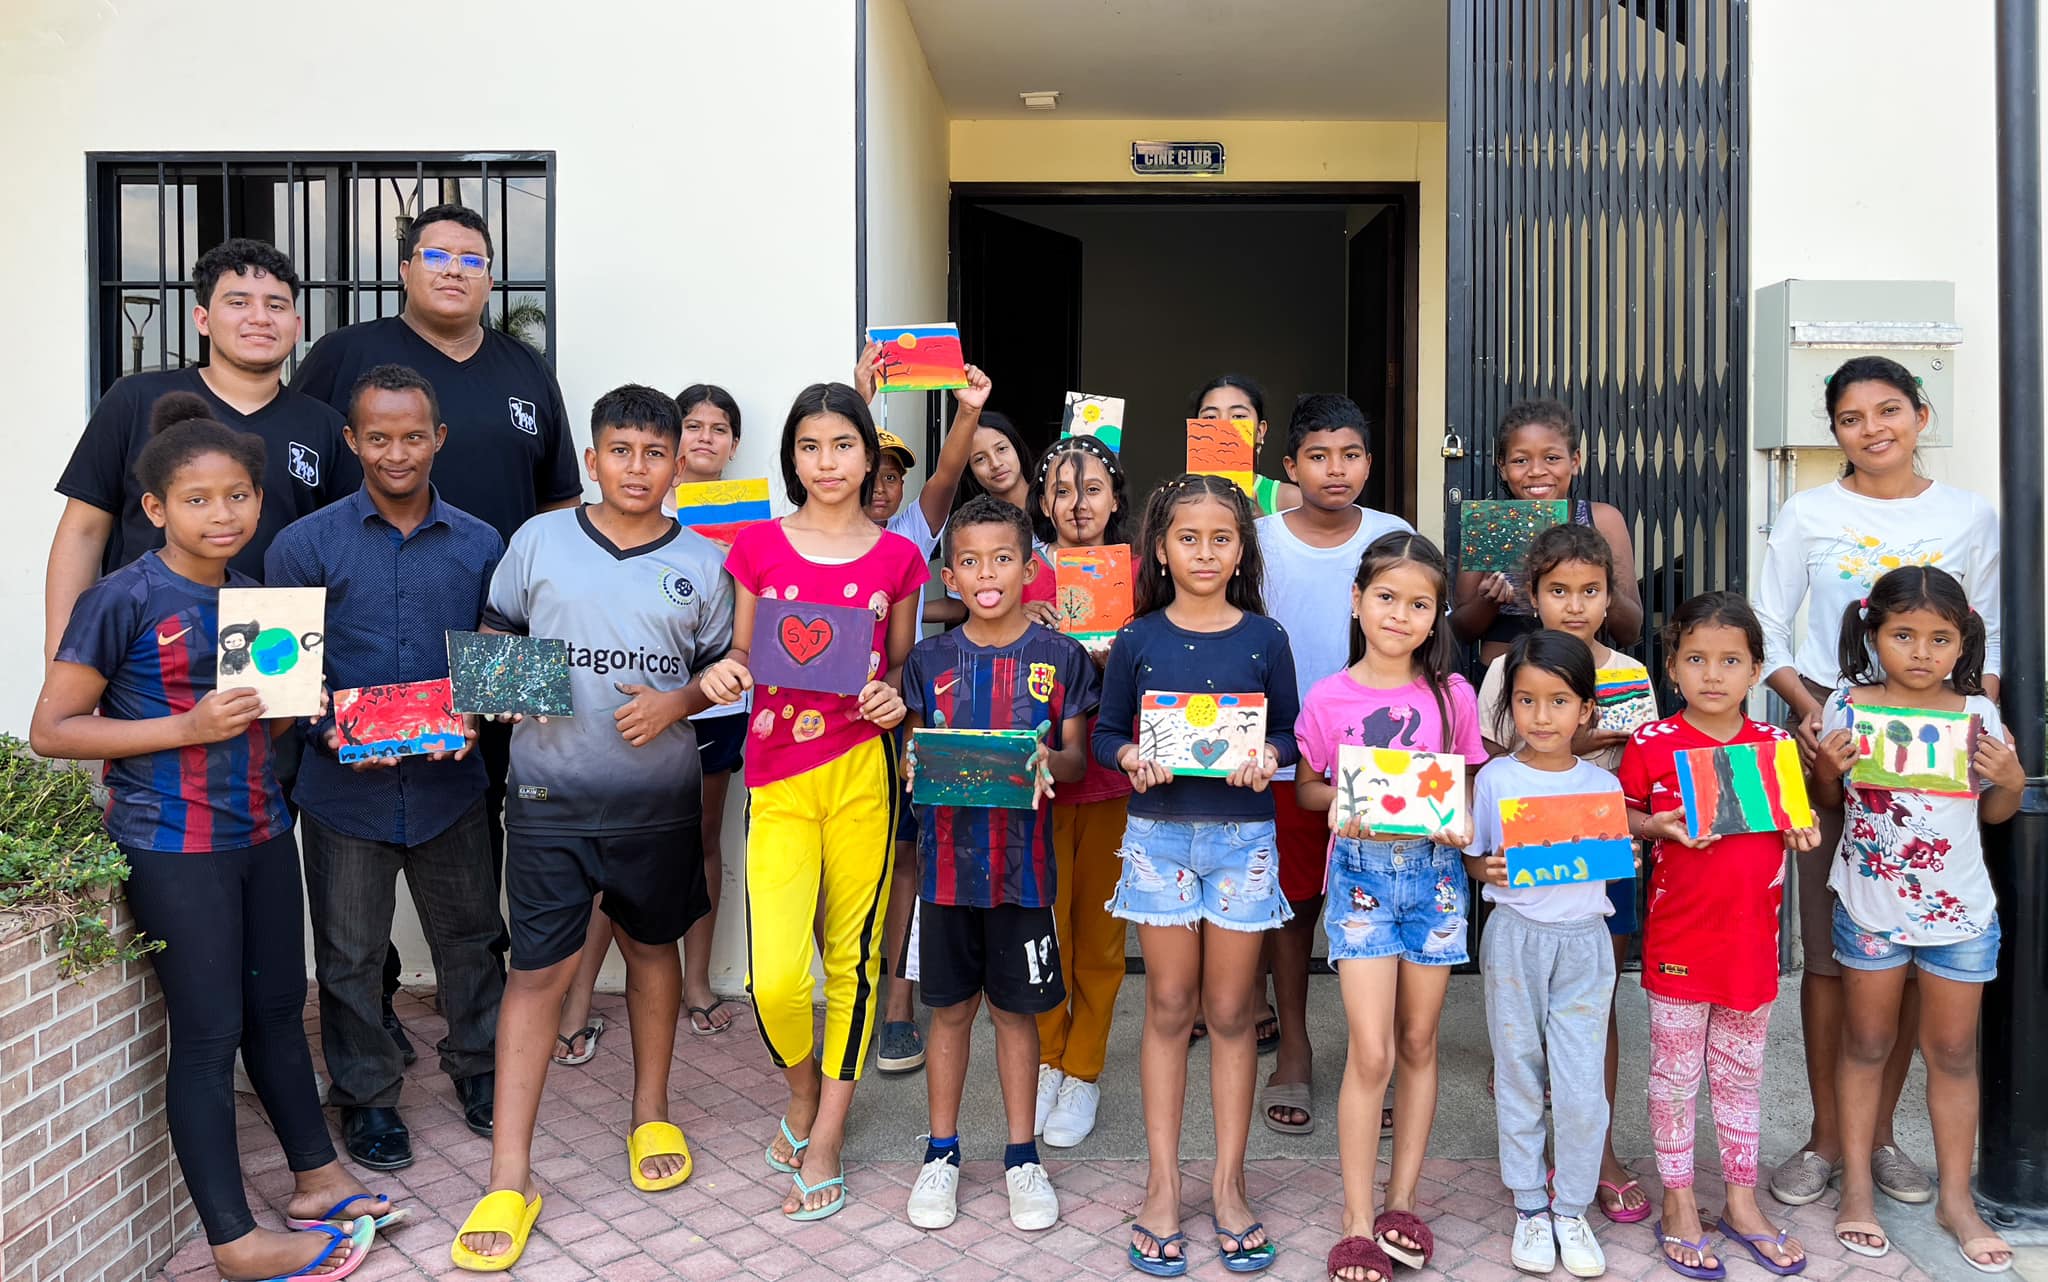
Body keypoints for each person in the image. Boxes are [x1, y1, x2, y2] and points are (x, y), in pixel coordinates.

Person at [30, 394, 386, 1282]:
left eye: (237, 496)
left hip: (262, 829)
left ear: (259, 501)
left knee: (279, 1010)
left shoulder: (261, 602)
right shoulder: (122, 598)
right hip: (172, 845)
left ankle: (316, 1179)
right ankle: (234, 1243)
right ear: (155, 508)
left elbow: (269, 728)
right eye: (197, 499)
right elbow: (53, 730)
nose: (221, 514)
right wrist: (185, 729)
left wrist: (308, 711)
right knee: (207, 1035)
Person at [449, 385, 733, 1270]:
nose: (637, 468)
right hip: (547, 799)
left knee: (652, 952)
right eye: (621, 451)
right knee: (536, 973)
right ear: (592, 459)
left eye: (654, 453)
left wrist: (679, 700)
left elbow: (724, 669)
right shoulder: (538, 541)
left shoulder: (706, 562)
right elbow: (497, 634)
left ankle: (651, 1115)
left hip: (658, 802)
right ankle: (510, 1173)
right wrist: (499, 693)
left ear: (677, 464)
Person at [294, 203, 583, 1051]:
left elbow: (558, 511)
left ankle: (483, 1052)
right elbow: (297, 480)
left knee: (473, 849)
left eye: (472, 257)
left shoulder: (525, 370)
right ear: (406, 268)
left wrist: (529, 670)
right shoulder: (345, 355)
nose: (454, 269)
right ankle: (370, 1033)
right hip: (355, 648)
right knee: (349, 901)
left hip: (484, 646)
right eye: (436, 254)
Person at [1753, 356, 2000, 1211]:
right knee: (1835, 954)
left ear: (1921, 413)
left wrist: (1969, 723)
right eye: (1852, 418)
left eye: (1888, 410)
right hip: (1837, 738)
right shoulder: (1809, 511)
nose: (1872, 429)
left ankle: (1882, 1137)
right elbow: (1769, 627)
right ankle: (1827, 1139)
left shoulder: (1969, 515)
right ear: (1835, 432)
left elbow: (1994, 632)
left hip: (1938, 755)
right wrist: (1814, 714)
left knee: (1915, 948)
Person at [265, 365, 507, 1171]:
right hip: (343, 793)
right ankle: (367, 1096)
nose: (395, 453)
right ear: (351, 441)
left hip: (450, 788)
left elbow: (499, 655)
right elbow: (278, 674)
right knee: (348, 959)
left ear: (438, 439)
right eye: (377, 437)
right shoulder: (302, 545)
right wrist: (321, 721)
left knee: (473, 942)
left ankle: (481, 1069)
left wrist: (480, 712)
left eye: (411, 437)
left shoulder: (482, 543)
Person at [698, 383, 927, 1222]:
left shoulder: (898, 559)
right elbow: (741, 651)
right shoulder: (757, 545)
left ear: (869, 456)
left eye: (842, 445)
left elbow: (898, 665)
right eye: (809, 446)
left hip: (862, 770)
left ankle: (826, 1129)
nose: (826, 462)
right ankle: (802, 1089)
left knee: (851, 961)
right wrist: (725, 672)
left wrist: (894, 697)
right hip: (777, 774)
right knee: (776, 978)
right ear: (791, 458)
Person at [1094, 473, 1299, 1276]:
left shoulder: (1265, 638)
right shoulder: (1137, 638)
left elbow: (1289, 731)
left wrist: (1270, 755)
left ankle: (1229, 1184)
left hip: (1244, 841)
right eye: (1188, 538)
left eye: (1221, 538)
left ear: (1242, 549)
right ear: (1160, 550)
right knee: (1171, 1005)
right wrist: (1128, 756)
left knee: (1231, 1011)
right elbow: (1108, 730)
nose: (1205, 552)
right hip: (1159, 838)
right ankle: (1161, 1185)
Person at [1811, 566, 2019, 1272]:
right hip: (1871, 907)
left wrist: (2011, 783)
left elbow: (1995, 811)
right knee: (1865, 1042)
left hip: (1959, 914)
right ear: (1874, 634)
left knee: (1954, 1054)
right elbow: (1829, 800)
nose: (1922, 652)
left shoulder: (1978, 713)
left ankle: (1956, 1199)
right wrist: (1826, 771)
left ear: (1964, 642)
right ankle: (1857, 1189)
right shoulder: (1847, 705)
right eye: (1904, 635)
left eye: (1940, 638)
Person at [900, 495, 1096, 1232]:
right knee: (950, 1012)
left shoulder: (1060, 658)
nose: (987, 574)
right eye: (971, 562)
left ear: (1029, 569)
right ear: (950, 577)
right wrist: (913, 763)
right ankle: (941, 1153)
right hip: (945, 869)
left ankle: (1022, 1158)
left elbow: (1076, 761)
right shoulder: (929, 660)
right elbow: (913, 754)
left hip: (1024, 871)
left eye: (1004, 559)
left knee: (1017, 1014)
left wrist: (1047, 759)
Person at [1295, 532, 1481, 1282]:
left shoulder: (1453, 696)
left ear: (1436, 616)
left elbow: (1469, 787)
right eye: (1385, 598)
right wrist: (1351, 801)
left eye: (1419, 604)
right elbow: (1307, 788)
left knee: (1419, 1042)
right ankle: (1355, 1217)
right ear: (1357, 601)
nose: (1400, 615)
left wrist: (1464, 822)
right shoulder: (1328, 697)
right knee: (1370, 1051)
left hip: (1437, 881)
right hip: (1361, 881)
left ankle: (1403, 1202)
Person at [1617, 593, 1820, 1276]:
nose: (1712, 674)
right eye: (1696, 659)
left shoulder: (1775, 746)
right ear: (1673, 667)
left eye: (1731, 661)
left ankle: (1740, 1201)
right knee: (1674, 1076)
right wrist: (1652, 825)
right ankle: (1678, 1201)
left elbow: (1795, 821)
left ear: (1756, 670)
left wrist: (1801, 829)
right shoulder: (1652, 742)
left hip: (1751, 944)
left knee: (1741, 1076)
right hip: (1679, 938)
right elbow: (1623, 813)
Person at [552, 382, 749, 1059]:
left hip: (714, 703)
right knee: (611, 849)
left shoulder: (756, 519)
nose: (704, 437)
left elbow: (749, 627)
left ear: (732, 444)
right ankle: (577, 999)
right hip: (618, 711)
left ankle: (695, 982)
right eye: (693, 425)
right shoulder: (619, 512)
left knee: (700, 841)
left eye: (718, 428)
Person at [45, 238, 358, 660]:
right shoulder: (135, 400)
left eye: (276, 305)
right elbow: (83, 532)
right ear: (203, 319)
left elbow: (344, 553)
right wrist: (63, 656)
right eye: (238, 302)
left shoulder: (326, 426)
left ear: (297, 325)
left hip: (273, 658)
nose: (259, 317)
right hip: (146, 653)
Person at [1476, 523, 1657, 1223]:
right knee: (1521, 1026)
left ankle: (1597, 1155)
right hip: (1526, 878)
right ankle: (1532, 1165)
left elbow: (1637, 772)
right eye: (1558, 590)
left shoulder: (1629, 673)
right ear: (1533, 594)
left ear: (1611, 597)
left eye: (1590, 591)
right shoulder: (1505, 670)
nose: (1574, 605)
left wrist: (1634, 833)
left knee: (1595, 1010)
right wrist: (1573, 743)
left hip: (1597, 870)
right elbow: (1493, 761)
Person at [1253, 393, 1414, 1138]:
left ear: (1369, 464)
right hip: (1289, 757)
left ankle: (1373, 1060)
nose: (1335, 469)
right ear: (1290, 467)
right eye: (1318, 456)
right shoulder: (1257, 541)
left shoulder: (1395, 537)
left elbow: (1424, 637)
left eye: (1350, 455)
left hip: (1384, 764)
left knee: (1378, 911)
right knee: (1292, 909)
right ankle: (1295, 1045)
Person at [850, 349, 994, 1074]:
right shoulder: (810, 532)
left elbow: (947, 473)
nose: (882, 484)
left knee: (906, 854)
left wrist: (968, 411)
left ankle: (898, 1003)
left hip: (900, 715)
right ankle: (850, 992)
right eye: (871, 470)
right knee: (849, 865)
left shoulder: (910, 530)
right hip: (826, 727)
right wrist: (858, 393)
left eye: (892, 474)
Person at [1466, 630, 1620, 1279]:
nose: (1542, 716)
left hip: (1584, 943)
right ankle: (1530, 1204)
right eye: (1527, 701)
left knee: (1582, 1086)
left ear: (1586, 709)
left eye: (1559, 701)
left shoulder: (1601, 785)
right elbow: (1475, 857)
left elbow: (1608, 863)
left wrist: (1626, 855)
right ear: (1510, 707)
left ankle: (1572, 1207)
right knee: (1519, 1072)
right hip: (1515, 939)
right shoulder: (1496, 778)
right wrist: (1486, 869)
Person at [1021, 435, 1135, 1147]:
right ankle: (1046, 1059)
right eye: (1062, 491)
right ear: (1042, 502)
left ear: (1115, 498)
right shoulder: (1023, 571)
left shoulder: (1142, 578)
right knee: (1041, 929)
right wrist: (1024, 625)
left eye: (1092, 488)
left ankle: (1084, 1069)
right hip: (1036, 783)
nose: (1078, 504)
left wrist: (1126, 648)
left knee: (1099, 936)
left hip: (1111, 780)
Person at [1450, 399, 1644, 662]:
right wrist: (1488, 602)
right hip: (1507, 671)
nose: (1536, 471)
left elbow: (1630, 631)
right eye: (1520, 460)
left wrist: (1602, 586)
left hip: (1582, 667)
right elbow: (1459, 630)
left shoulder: (1603, 520)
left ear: (1575, 461)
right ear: (1503, 468)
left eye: (1551, 458)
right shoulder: (1488, 523)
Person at [1191, 374, 1304, 516]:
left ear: (1260, 432)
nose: (1224, 425)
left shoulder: (1289, 500)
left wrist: (1260, 521)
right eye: (1210, 417)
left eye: (1239, 416)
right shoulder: (1176, 499)